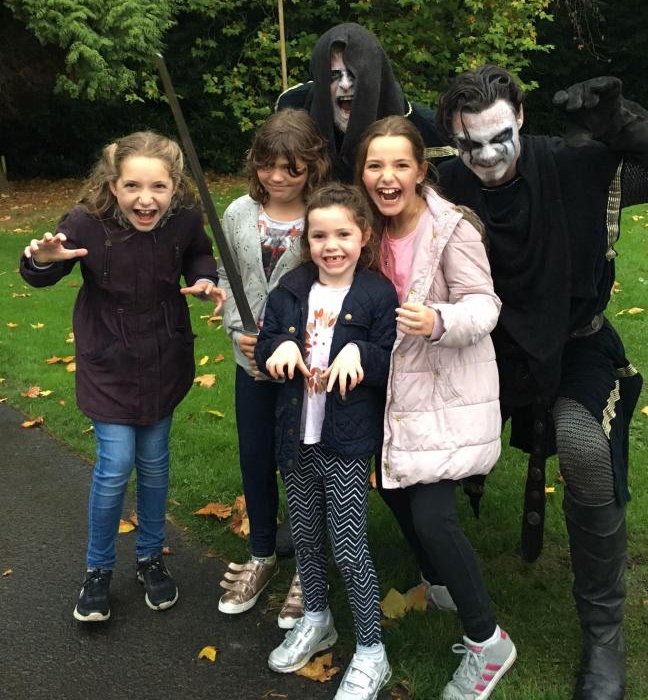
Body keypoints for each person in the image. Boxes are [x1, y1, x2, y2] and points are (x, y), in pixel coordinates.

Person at [435, 70, 648, 700]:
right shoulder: (443, 183)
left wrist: (630, 128)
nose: (485, 156)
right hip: (483, 343)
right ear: (451, 140)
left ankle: (604, 634)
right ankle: (383, 553)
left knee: (585, 447)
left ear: (521, 119)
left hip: (575, 340)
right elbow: (365, 190)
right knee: (396, 410)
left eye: (497, 138)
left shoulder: (577, 166)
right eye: (468, 145)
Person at [19, 131, 225, 622]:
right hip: (107, 360)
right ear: (113, 186)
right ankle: (97, 570)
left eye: (158, 187)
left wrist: (205, 279)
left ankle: (151, 559)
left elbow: (199, 252)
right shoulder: (85, 223)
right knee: (115, 466)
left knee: (154, 463)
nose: (145, 198)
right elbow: (46, 265)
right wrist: (40, 260)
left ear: (175, 186)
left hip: (163, 358)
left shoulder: (185, 221)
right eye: (132, 185)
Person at [356, 115, 517, 700]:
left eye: (400, 164)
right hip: (391, 391)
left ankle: (487, 642)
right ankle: (439, 579)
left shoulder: (452, 230)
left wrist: (439, 319)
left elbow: (485, 307)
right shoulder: (366, 227)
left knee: (432, 515)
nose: (387, 176)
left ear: (422, 170)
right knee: (393, 487)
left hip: (446, 391)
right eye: (375, 165)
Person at [255, 183, 398, 700]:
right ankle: (317, 618)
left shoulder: (377, 293)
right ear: (306, 240)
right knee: (307, 539)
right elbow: (268, 343)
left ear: (364, 236)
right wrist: (281, 346)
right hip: (297, 440)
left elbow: (389, 357)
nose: (331, 245)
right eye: (320, 235)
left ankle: (371, 650)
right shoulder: (289, 291)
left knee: (348, 543)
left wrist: (362, 350)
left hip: (345, 444)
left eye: (343, 234)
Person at [216, 109, 331, 629]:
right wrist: (236, 331)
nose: (278, 178)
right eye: (268, 165)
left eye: (291, 168)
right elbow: (228, 274)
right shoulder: (240, 212)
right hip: (250, 366)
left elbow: (335, 287)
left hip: (304, 371)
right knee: (256, 459)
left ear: (313, 167)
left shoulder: (324, 216)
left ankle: (309, 568)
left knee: (304, 468)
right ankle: (263, 552)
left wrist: (292, 347)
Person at [277, 22, 453, 182]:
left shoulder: (427, 131)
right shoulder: (295, 109)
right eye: (334, 75)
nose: (345, 84)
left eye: (355, 74)